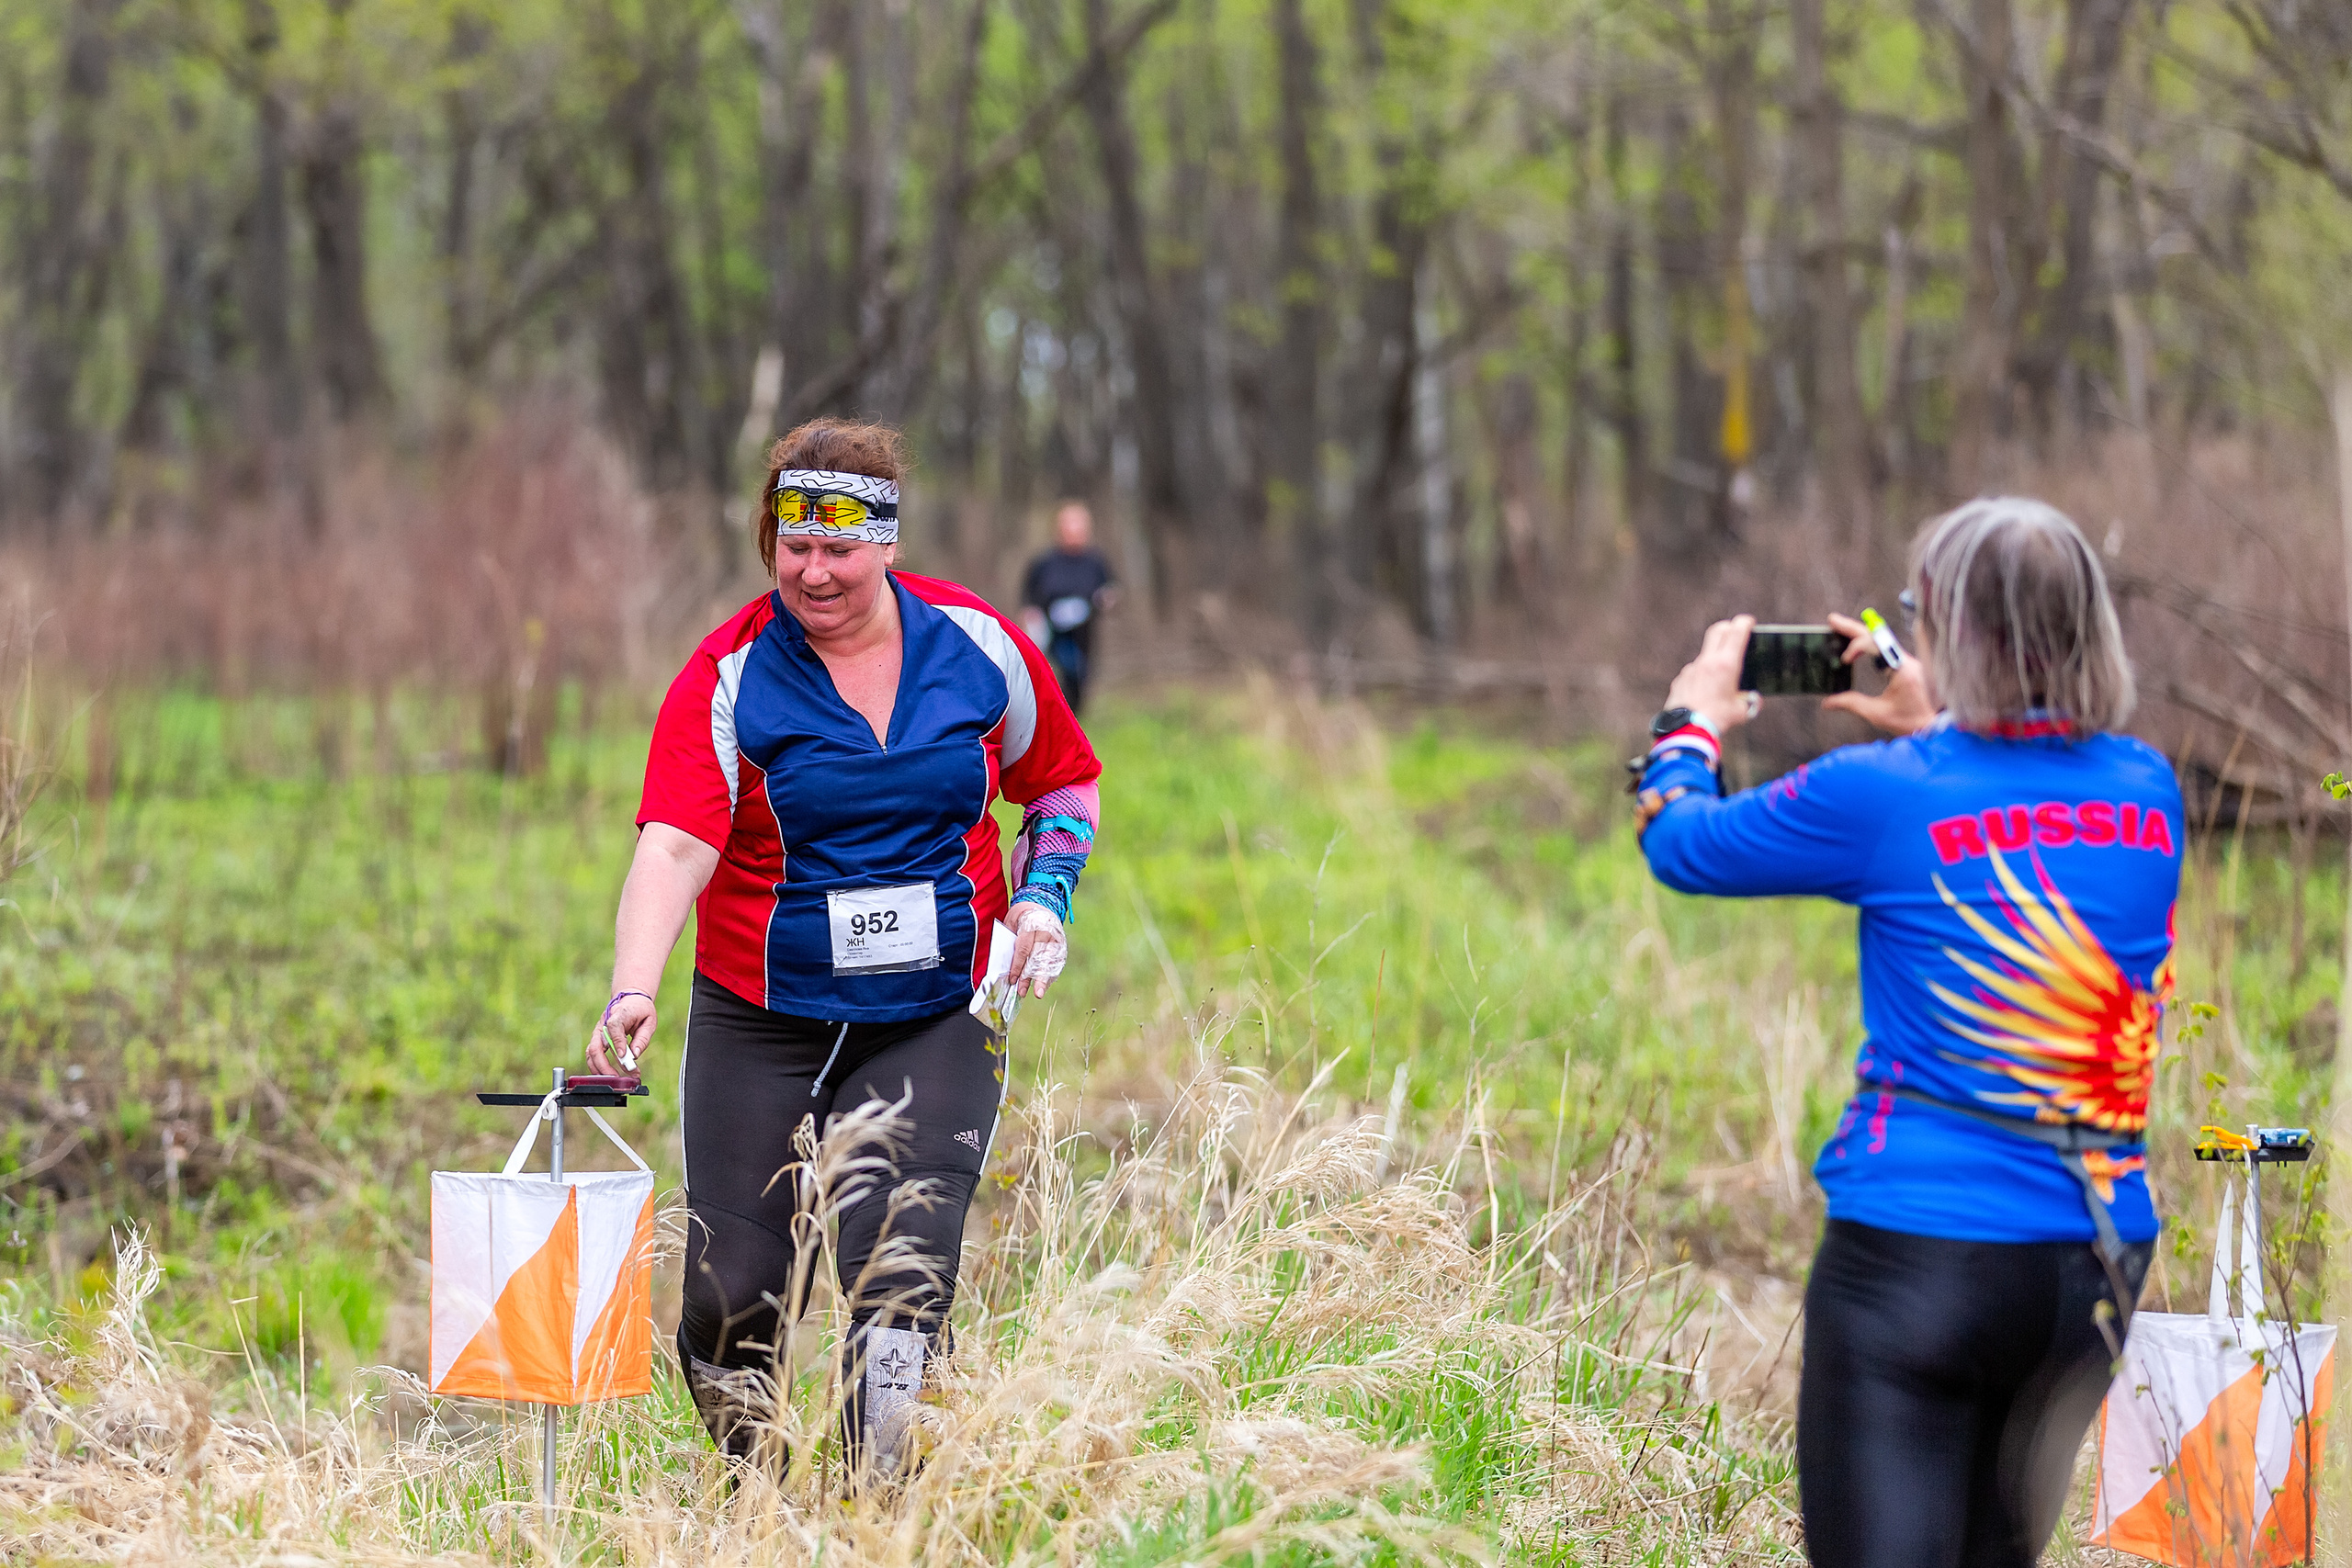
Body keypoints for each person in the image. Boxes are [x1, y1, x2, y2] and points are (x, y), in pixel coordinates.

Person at [1632, 498, 2179, 1568]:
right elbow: (2016, 805)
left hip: (1918, 1264)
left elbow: (1684, 844)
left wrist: (1688, 722)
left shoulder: (1881, 797)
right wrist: (1933, 717)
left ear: (1950, 636)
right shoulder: (2147, 790)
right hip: (2093, 1269)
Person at [585, 418, 1102, 1479]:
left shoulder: (979, 647)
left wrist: (1044, 897)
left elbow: (1059, 781)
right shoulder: (729, 673)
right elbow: (676, 844)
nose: (813, 571)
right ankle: (762, 1493)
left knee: (899, 1273)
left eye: (840, 548)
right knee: (733, 1299)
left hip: (936, 1012)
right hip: (758, 1018)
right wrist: (633, 986)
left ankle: (881, 1505)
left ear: (888, 541)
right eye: (793, 545)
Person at [1020, 500, 1118, 713]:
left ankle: (1076, 712)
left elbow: (1108, 588)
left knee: (1083, 672)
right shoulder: (1044, 562)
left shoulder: (1095, 561)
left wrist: (1106, 599)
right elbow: (1029, 595)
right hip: (1053, 628)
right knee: (1065, 668)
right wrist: (1031, 616)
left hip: (1084, 629)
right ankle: (1059, 711)